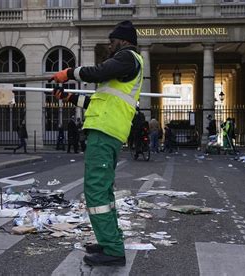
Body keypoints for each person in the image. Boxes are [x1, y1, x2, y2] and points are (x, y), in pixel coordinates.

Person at [50, 20, 143, 266]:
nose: (109, 46)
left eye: (112, 41)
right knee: (104, 191)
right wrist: (69, 97)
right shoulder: (123, 66)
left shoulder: (127, 57)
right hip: (106, 130)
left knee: (95, 190)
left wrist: (68, 73)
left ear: (123, 40)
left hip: (105, 133)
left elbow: (98, 71)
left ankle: (112, 249)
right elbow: (97, 104)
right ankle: (109, 240)